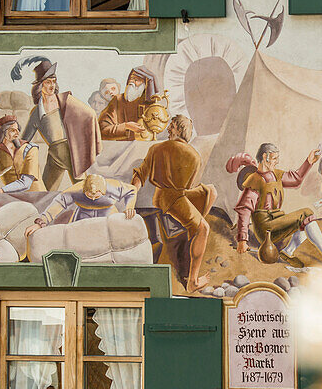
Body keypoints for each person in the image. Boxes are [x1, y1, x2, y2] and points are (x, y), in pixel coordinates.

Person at [131, 116, 217, 293]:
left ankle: (192, 236)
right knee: (204, 228)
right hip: (175, 199)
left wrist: (131, 198)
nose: (168, 129)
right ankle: (192, 281)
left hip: (163, 197)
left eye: (171, 126)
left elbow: (140, 175)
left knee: (211, 191)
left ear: (176, 129)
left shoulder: (156, 148)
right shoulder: (194, 155)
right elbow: (189, 185)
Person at [228, 143, 322, 269]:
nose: (276, 162)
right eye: (274, 159)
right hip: (265, 228)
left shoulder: (276, 174)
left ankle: (288, 251)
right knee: (307, 214)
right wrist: (242, 239)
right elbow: (244, 210)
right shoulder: (255, 180)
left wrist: (309, 161)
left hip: (277, 220)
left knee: (307, 222)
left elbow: (295, 179)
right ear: (264, 157)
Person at [13, 56, 102, 191]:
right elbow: (24, 139)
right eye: (48, 82)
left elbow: (90, 114)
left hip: (71, 154)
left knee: (85, 190)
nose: (52, 85)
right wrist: (10, 142)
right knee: (46, 193)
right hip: (54, 156)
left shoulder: (65, 100)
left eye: (54, 81)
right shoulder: (36, 113)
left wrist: (83, 140)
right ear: (39, 86)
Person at [25, 174, 137, 236]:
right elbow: (58, 204)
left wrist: (129, 208)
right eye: (89, 195)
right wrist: (41, 222)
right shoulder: (76, 190)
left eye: (97, 196)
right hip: (82, 217)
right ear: (84, 190)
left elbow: (132, 190)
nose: (93, 198)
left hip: (108, 216)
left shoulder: (113, 186)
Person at [98, 66, 166, 140]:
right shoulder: (117, 100)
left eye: (136, 80)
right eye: (131, 79)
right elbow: (102, 130)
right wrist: (126, 126)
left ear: (145, 83)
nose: (132, 83)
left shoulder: (153, 104)